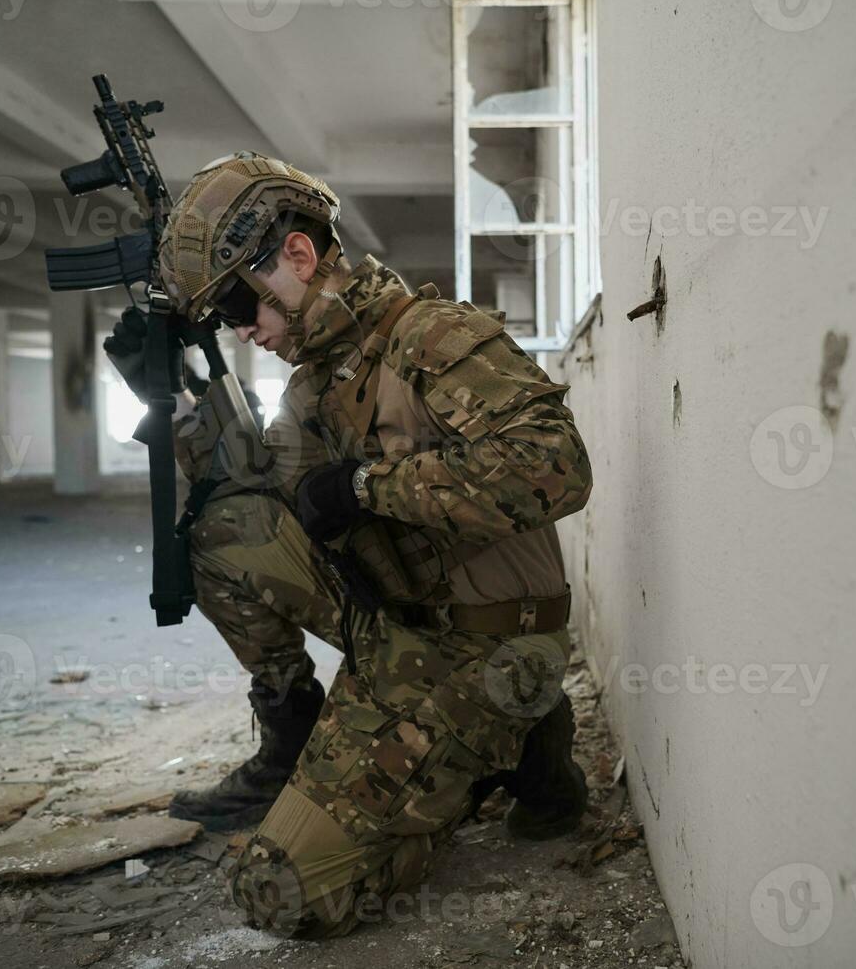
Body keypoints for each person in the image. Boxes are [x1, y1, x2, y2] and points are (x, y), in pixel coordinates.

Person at [103, 151, 593, 936]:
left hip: (489, 646)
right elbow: (259, 497)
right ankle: (298, 739)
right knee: (226, 534)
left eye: (240, 304)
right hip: (397, 626)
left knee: (283, 894)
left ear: (298, 254)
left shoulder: (434, 337)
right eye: (224, 319)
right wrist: (176, 404)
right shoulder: (311, 382)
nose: (242, 330)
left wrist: (368, 487)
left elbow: (556, 469)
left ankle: (507, 752)